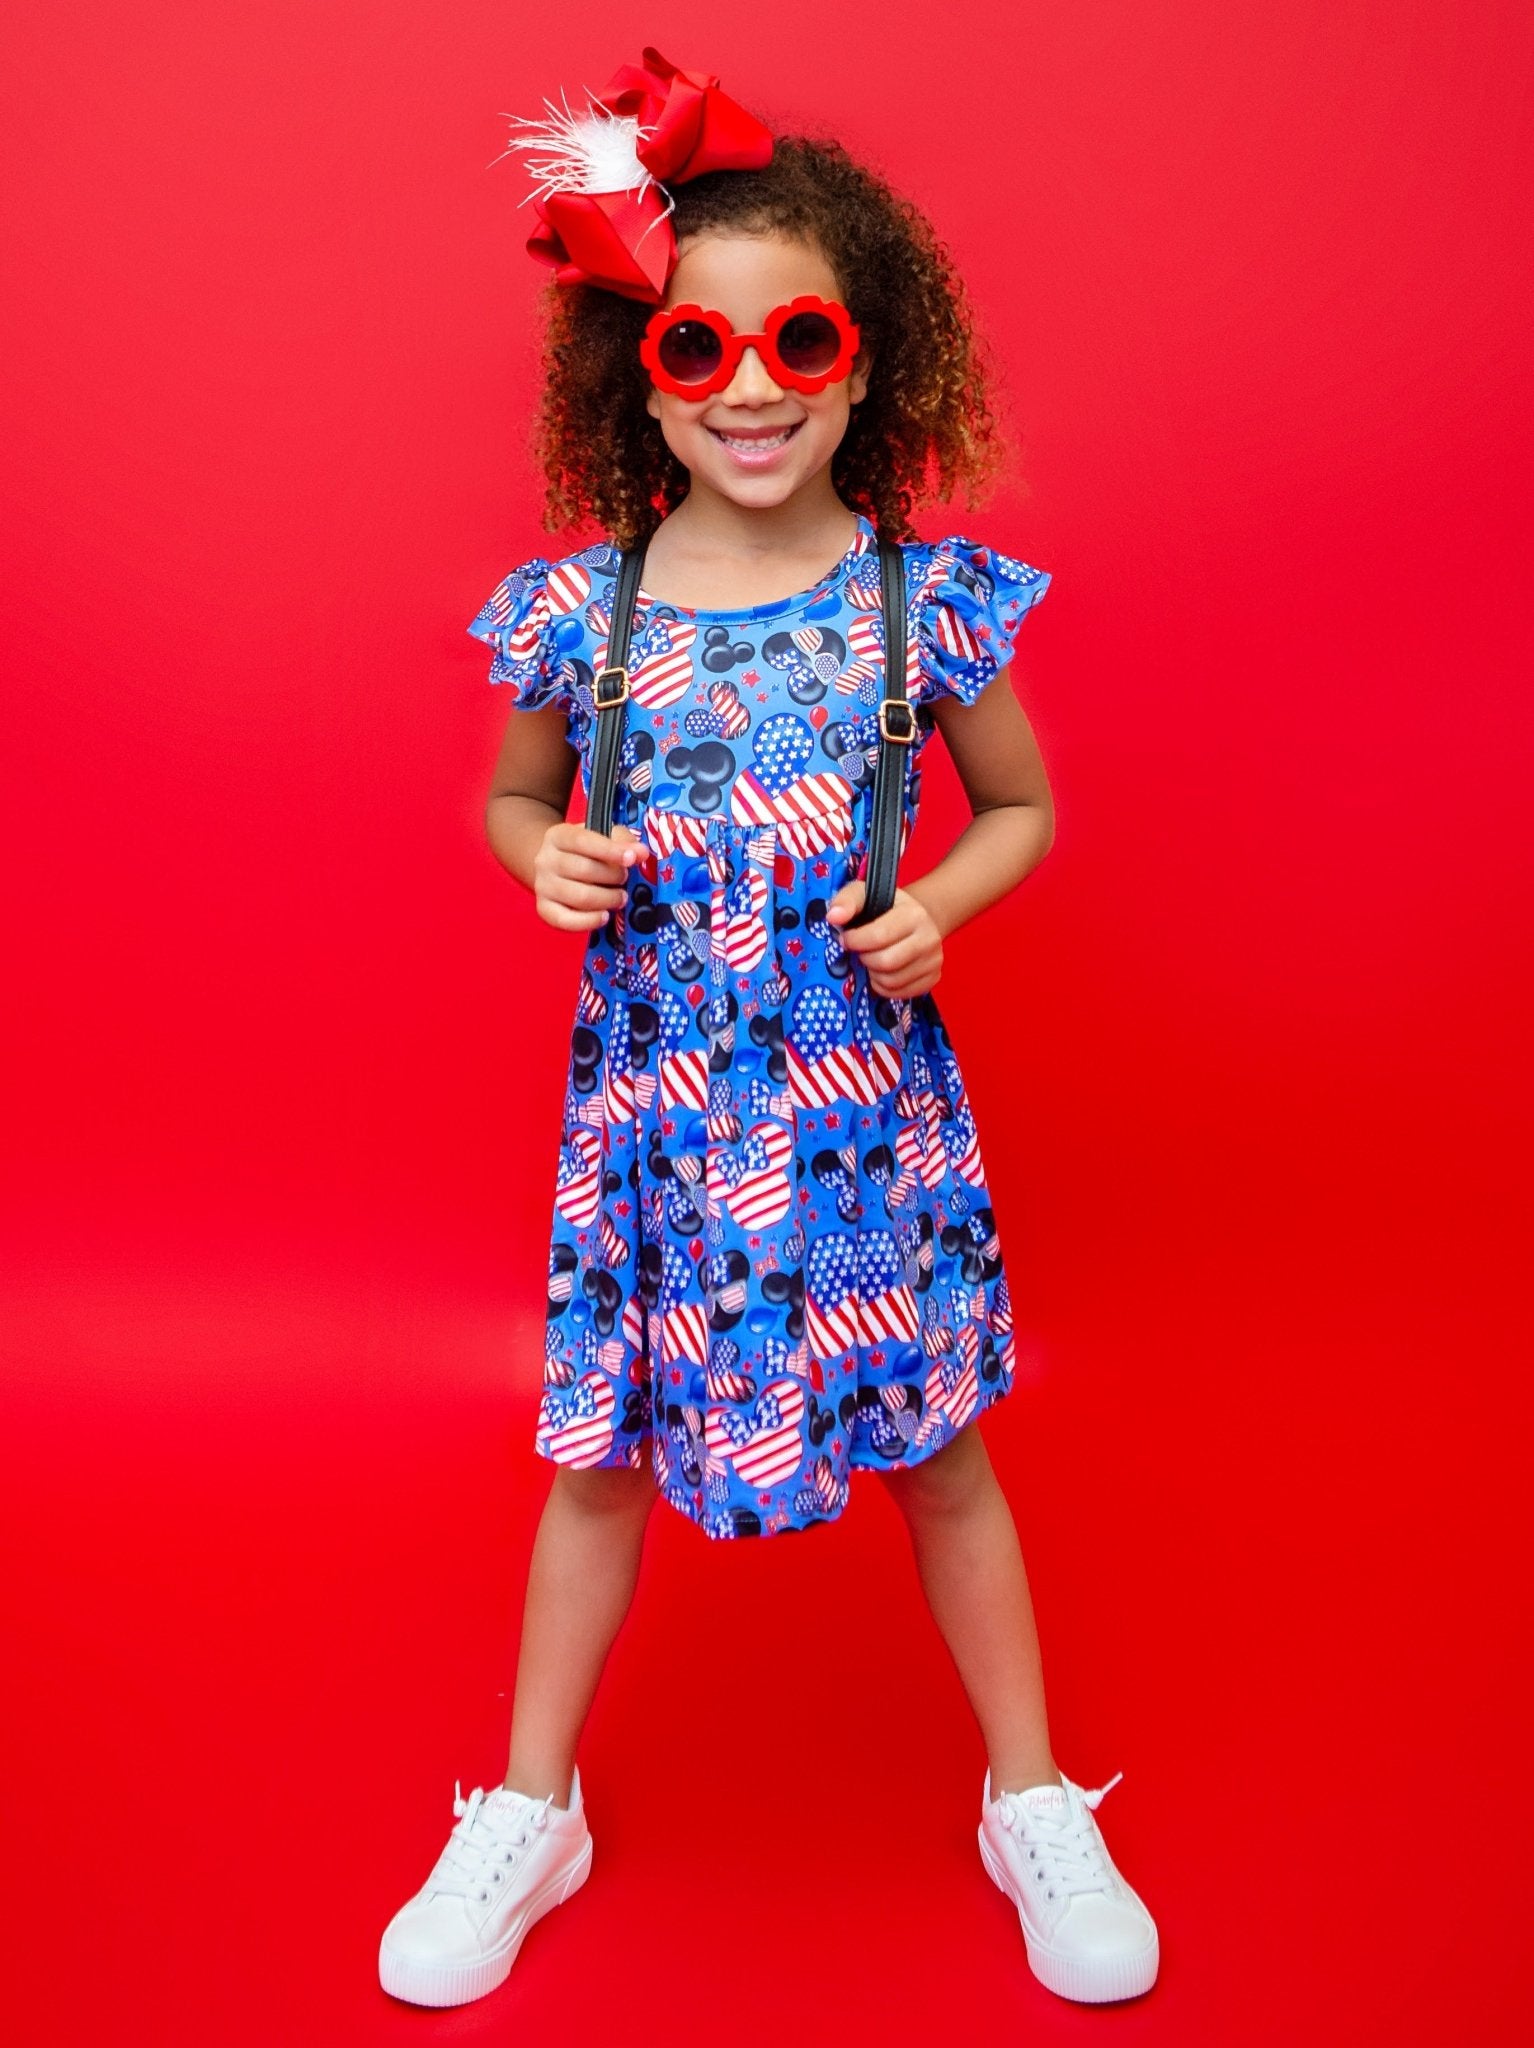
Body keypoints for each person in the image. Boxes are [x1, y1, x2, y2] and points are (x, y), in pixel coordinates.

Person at [380, 48, 1159, 2013]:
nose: (747, 384)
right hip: (652, 1109)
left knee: (947, 1453)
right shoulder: (582, 609)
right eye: (699, 346)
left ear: (859, 363)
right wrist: (538, 857)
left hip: (854, 1116)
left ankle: (1031, 1790)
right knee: (593, 1464)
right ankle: (528, 1803)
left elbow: (1017, 811)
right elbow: (504, 802)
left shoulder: (926, 607)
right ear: (639, 374)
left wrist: (933, 909)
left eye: (793, 340)